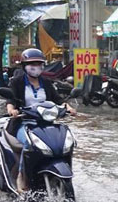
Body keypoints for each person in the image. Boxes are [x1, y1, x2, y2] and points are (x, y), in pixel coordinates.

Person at [6, 49, 77, 192]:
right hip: (24, 122)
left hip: (46, 123)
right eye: (32, 63)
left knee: (64, 142)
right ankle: (22, 176)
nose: (35, 66)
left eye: (38, 63)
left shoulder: (46, 82)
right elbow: (11, 100)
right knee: (28, 143)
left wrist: (68, 107)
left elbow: (58, 100)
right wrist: (12, 110)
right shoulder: (17, 82)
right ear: (24, 65)